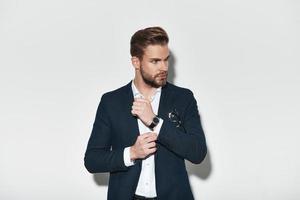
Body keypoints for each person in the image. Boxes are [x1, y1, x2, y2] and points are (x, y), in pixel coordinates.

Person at [84, 26, 207, 200]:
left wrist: (155, 122)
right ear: (136, 62)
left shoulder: (183, 98)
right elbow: (92, 160)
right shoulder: (111, 102)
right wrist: (132, 153)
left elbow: (198, 152)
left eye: (166, 60)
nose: (164, 67)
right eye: (155, 61)